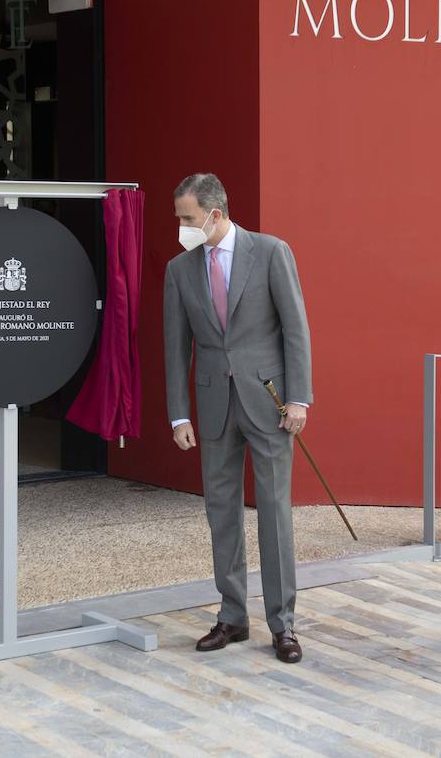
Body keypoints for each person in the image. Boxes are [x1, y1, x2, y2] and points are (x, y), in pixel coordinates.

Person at [163, 173, 312, 664]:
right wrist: (178, 415)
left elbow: (296, 329)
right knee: (220, 514)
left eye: (187, 218)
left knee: (274, 514)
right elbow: (175, 349)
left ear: (215, 214)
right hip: (213, 407)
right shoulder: (179, 270)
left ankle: (283, 624)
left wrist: (300, 400)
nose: (181, 227)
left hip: (269, 404)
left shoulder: (271, 253)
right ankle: (232, 617)